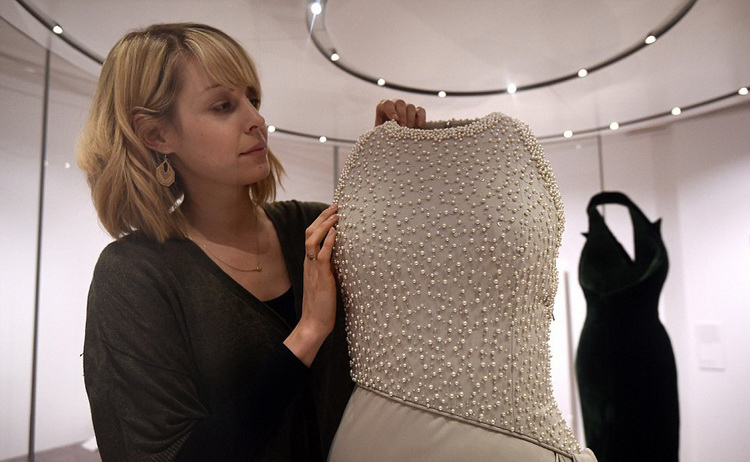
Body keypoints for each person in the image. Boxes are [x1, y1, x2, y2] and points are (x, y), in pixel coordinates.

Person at [77, 22, 425, 462]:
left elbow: (424, 312)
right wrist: (307, 335)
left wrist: (390, 171)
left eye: (253, 100)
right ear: (157, 135)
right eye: (223, 106)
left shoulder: (312, 226)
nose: (256, 121)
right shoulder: (134, 274)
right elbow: (164, 453)